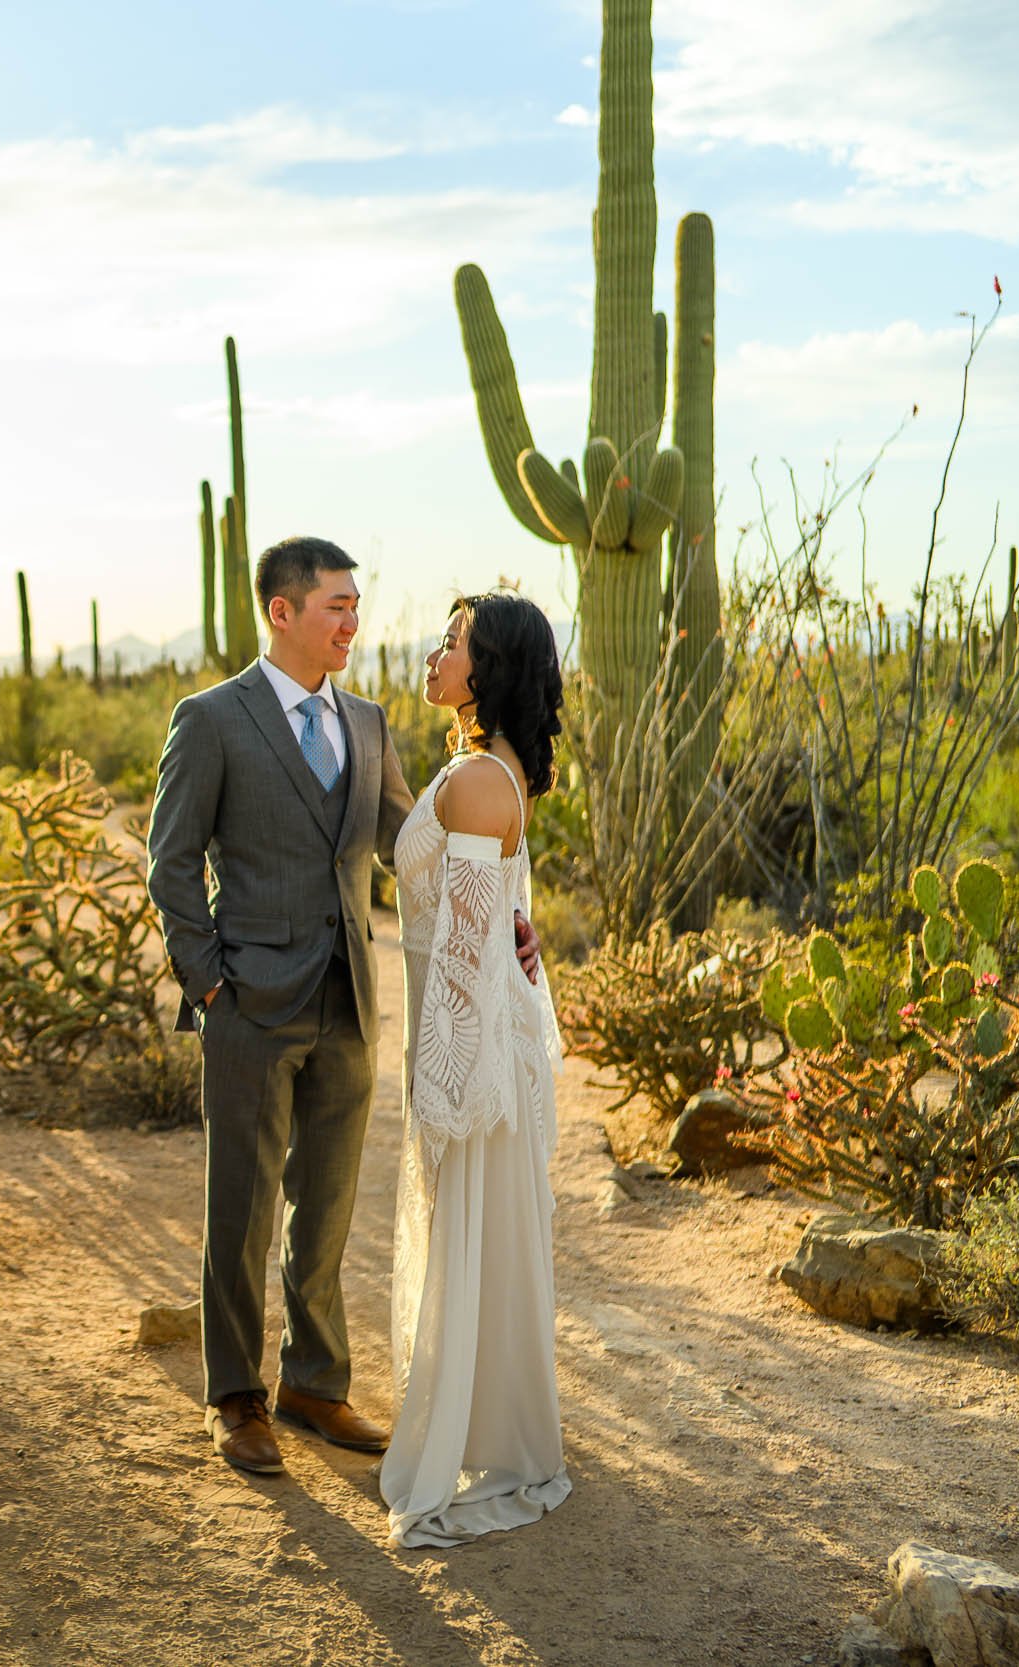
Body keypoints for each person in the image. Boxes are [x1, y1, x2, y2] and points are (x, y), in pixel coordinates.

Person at [146, 539, 540, 1477]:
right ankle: (236, 1395)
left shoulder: (367, 722)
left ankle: (315, 1381)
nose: (353, 622)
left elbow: (420, 837)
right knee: (238, 1206)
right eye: (335, 606)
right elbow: (170, 861)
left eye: (357, 604)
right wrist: (207, 981)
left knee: (324, 1208)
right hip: (248, 1002)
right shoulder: (211, 719)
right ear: (281, 613)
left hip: (351, 1001)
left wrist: (508, 908)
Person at [374, 591, 571, 1546]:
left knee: (474, 1236)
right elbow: (497, 915)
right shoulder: (473, 772)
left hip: (473, 1054)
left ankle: (488, 1435)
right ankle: (485, 1416)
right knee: (478, 1244)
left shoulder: (482, 781)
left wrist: (444, 1085)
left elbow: (460, 958)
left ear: (484, 670)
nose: (433, 652)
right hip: (466, 1035)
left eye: (451, 643)